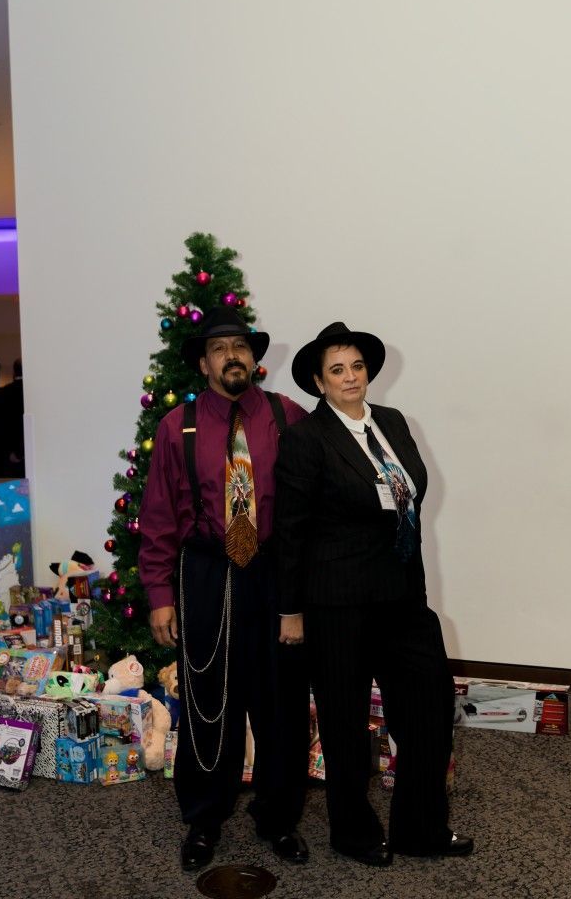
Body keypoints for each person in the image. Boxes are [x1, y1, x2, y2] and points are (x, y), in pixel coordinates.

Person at [274, 321, 473, 866]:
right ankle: (352, 832)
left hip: (402, 597)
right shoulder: (306, 439)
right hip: (337, 603)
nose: (350, 377)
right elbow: (290, 528)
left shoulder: (392, 422)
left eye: (357, 366)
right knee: (344, 723)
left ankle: (421, 828)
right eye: (337, 370)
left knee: (429, 707)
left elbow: (409, 500)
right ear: (319, 383)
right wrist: (290, 609)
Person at [138, 307, 310, 873]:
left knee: (280, 700)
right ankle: (204, 817)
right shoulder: (177, 426)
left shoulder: (287, 416)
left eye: (240, 345)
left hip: (274, 573)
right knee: (208, 697)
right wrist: (160, 593)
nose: (232, 355)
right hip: (207, 572)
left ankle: (278, 816)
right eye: (219, 348)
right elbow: (158, 516)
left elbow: (311, 506)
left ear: (254, 357)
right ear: (204, 364)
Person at [0, 358, 25, 477]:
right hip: (32, 449)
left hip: (11, 454)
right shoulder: (35, 390)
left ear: (14, 372)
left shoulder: (4, 392)